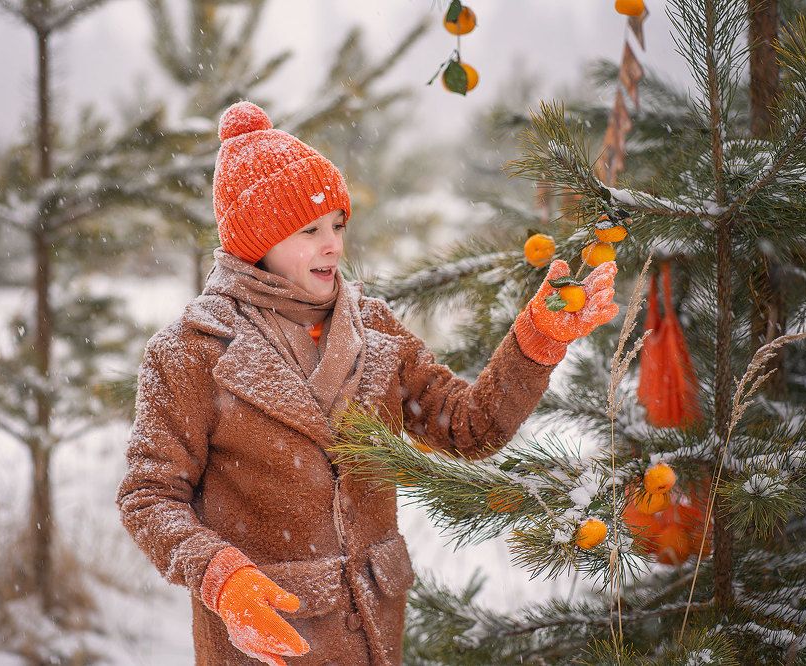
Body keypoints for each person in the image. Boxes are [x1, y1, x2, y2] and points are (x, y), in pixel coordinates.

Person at [116, 100, 619, 666]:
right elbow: (148, 497)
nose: (333, 244)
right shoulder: (190, 351)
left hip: (375, 630)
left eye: (337, 225)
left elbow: (468, 427)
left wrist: (536, 340)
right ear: (256, 243)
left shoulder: (373, 327)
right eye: (309, 230)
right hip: (270, 640)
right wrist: (221, 577)